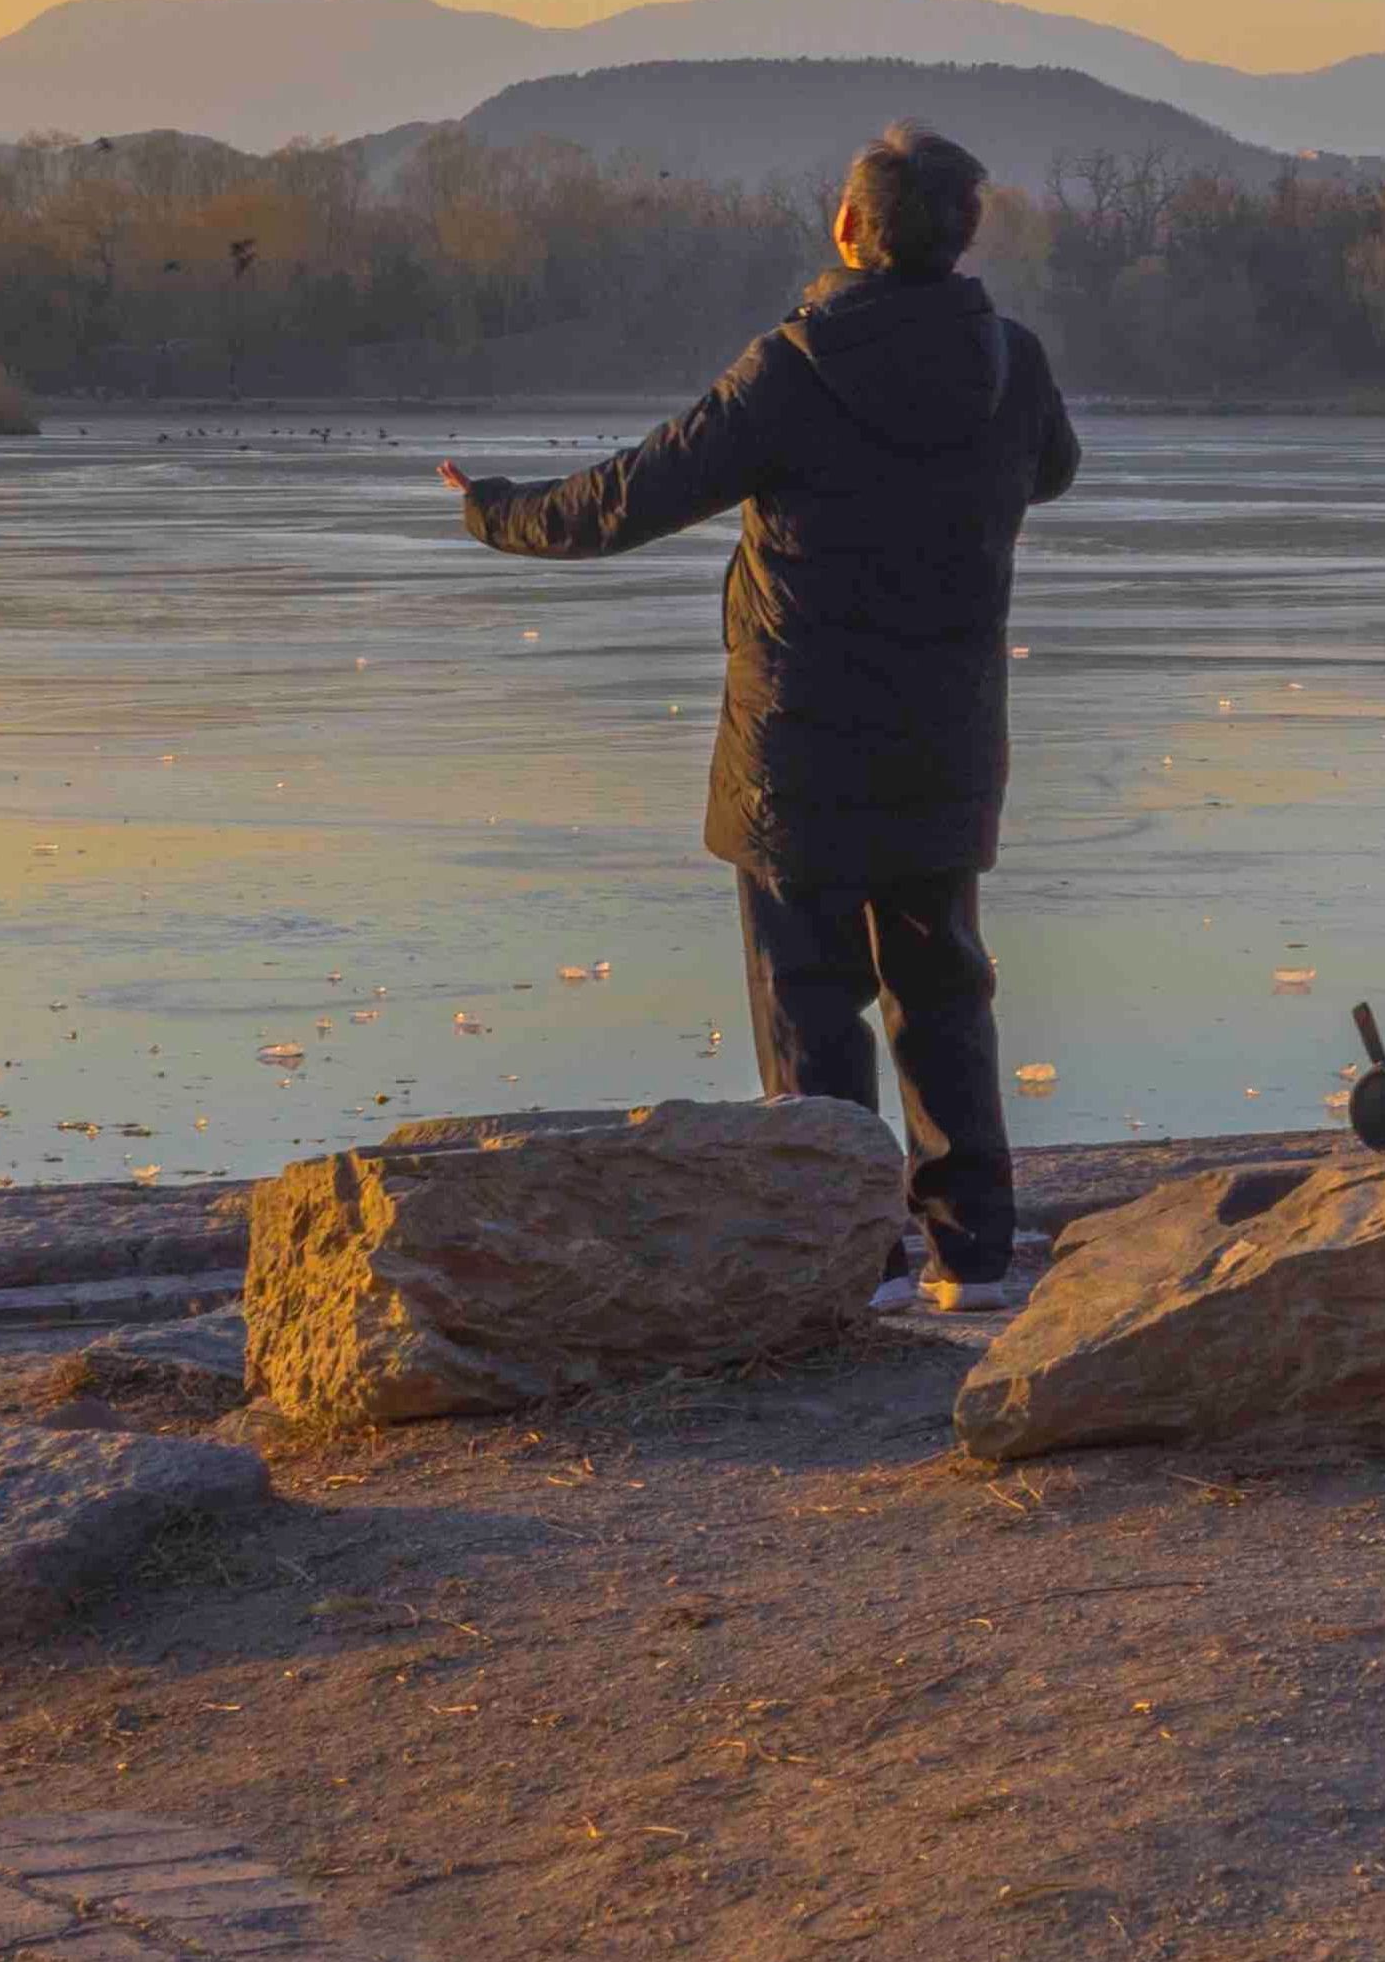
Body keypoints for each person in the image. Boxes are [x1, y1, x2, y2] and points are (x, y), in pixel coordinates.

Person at [438, 123, 1078, 1312]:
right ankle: (974, 1255)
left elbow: (632, 495)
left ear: (848, 227)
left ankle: (848, 1255)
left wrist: (494, 511)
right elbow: (1051, 470)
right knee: (944, 991)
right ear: (962, 237)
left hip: (799, 742)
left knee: (809, 1000)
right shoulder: (1011, 360)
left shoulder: (797, 365)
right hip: (945, 739)